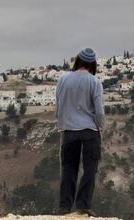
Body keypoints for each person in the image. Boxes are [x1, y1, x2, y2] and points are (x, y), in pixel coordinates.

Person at [55, 48, 104, 216]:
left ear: (77, 61)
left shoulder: (63, 79)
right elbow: (99, 111)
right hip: (90, 130)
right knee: (90, 168)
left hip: (69, 130)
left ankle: (64, 207)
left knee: (69, 168)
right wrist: (100, 127)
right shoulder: (94, 82)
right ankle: (83, 205)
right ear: (93, 64)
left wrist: (62, 124)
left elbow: (59, 105)